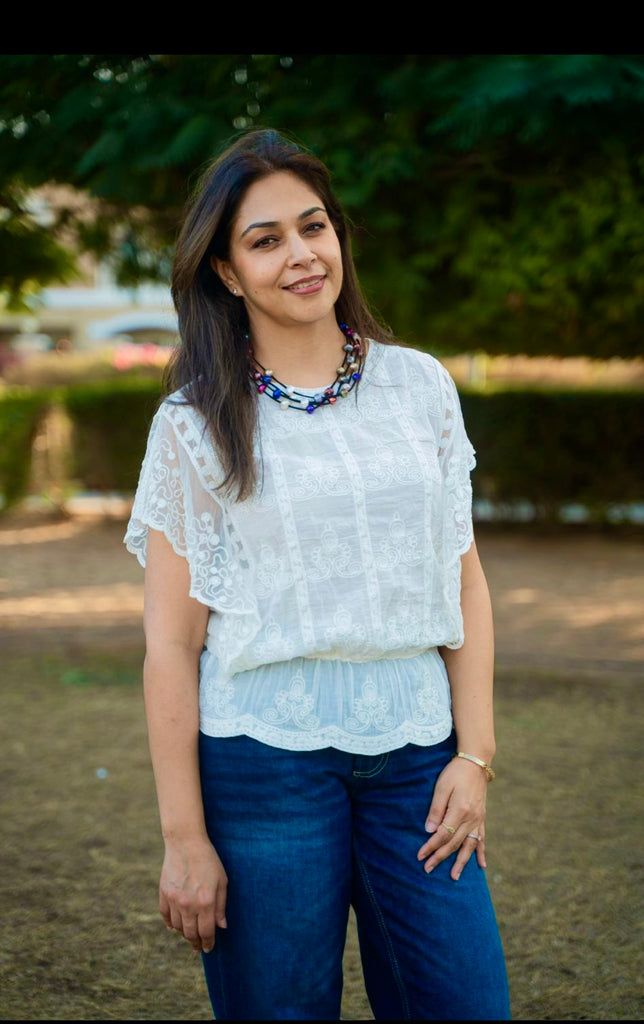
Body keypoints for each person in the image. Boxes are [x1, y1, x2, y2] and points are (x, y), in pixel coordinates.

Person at [124, 126, 511, 1021]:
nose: (300, 255)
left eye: (314, 227)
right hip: (262, 767)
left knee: (465, 1003)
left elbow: (467, 585)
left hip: (419, 758)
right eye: (265, 240)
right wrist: (185, 839)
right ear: (225, 271)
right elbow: (172, 646)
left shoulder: (421, 388)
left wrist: (475, 757)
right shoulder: (192, 425)